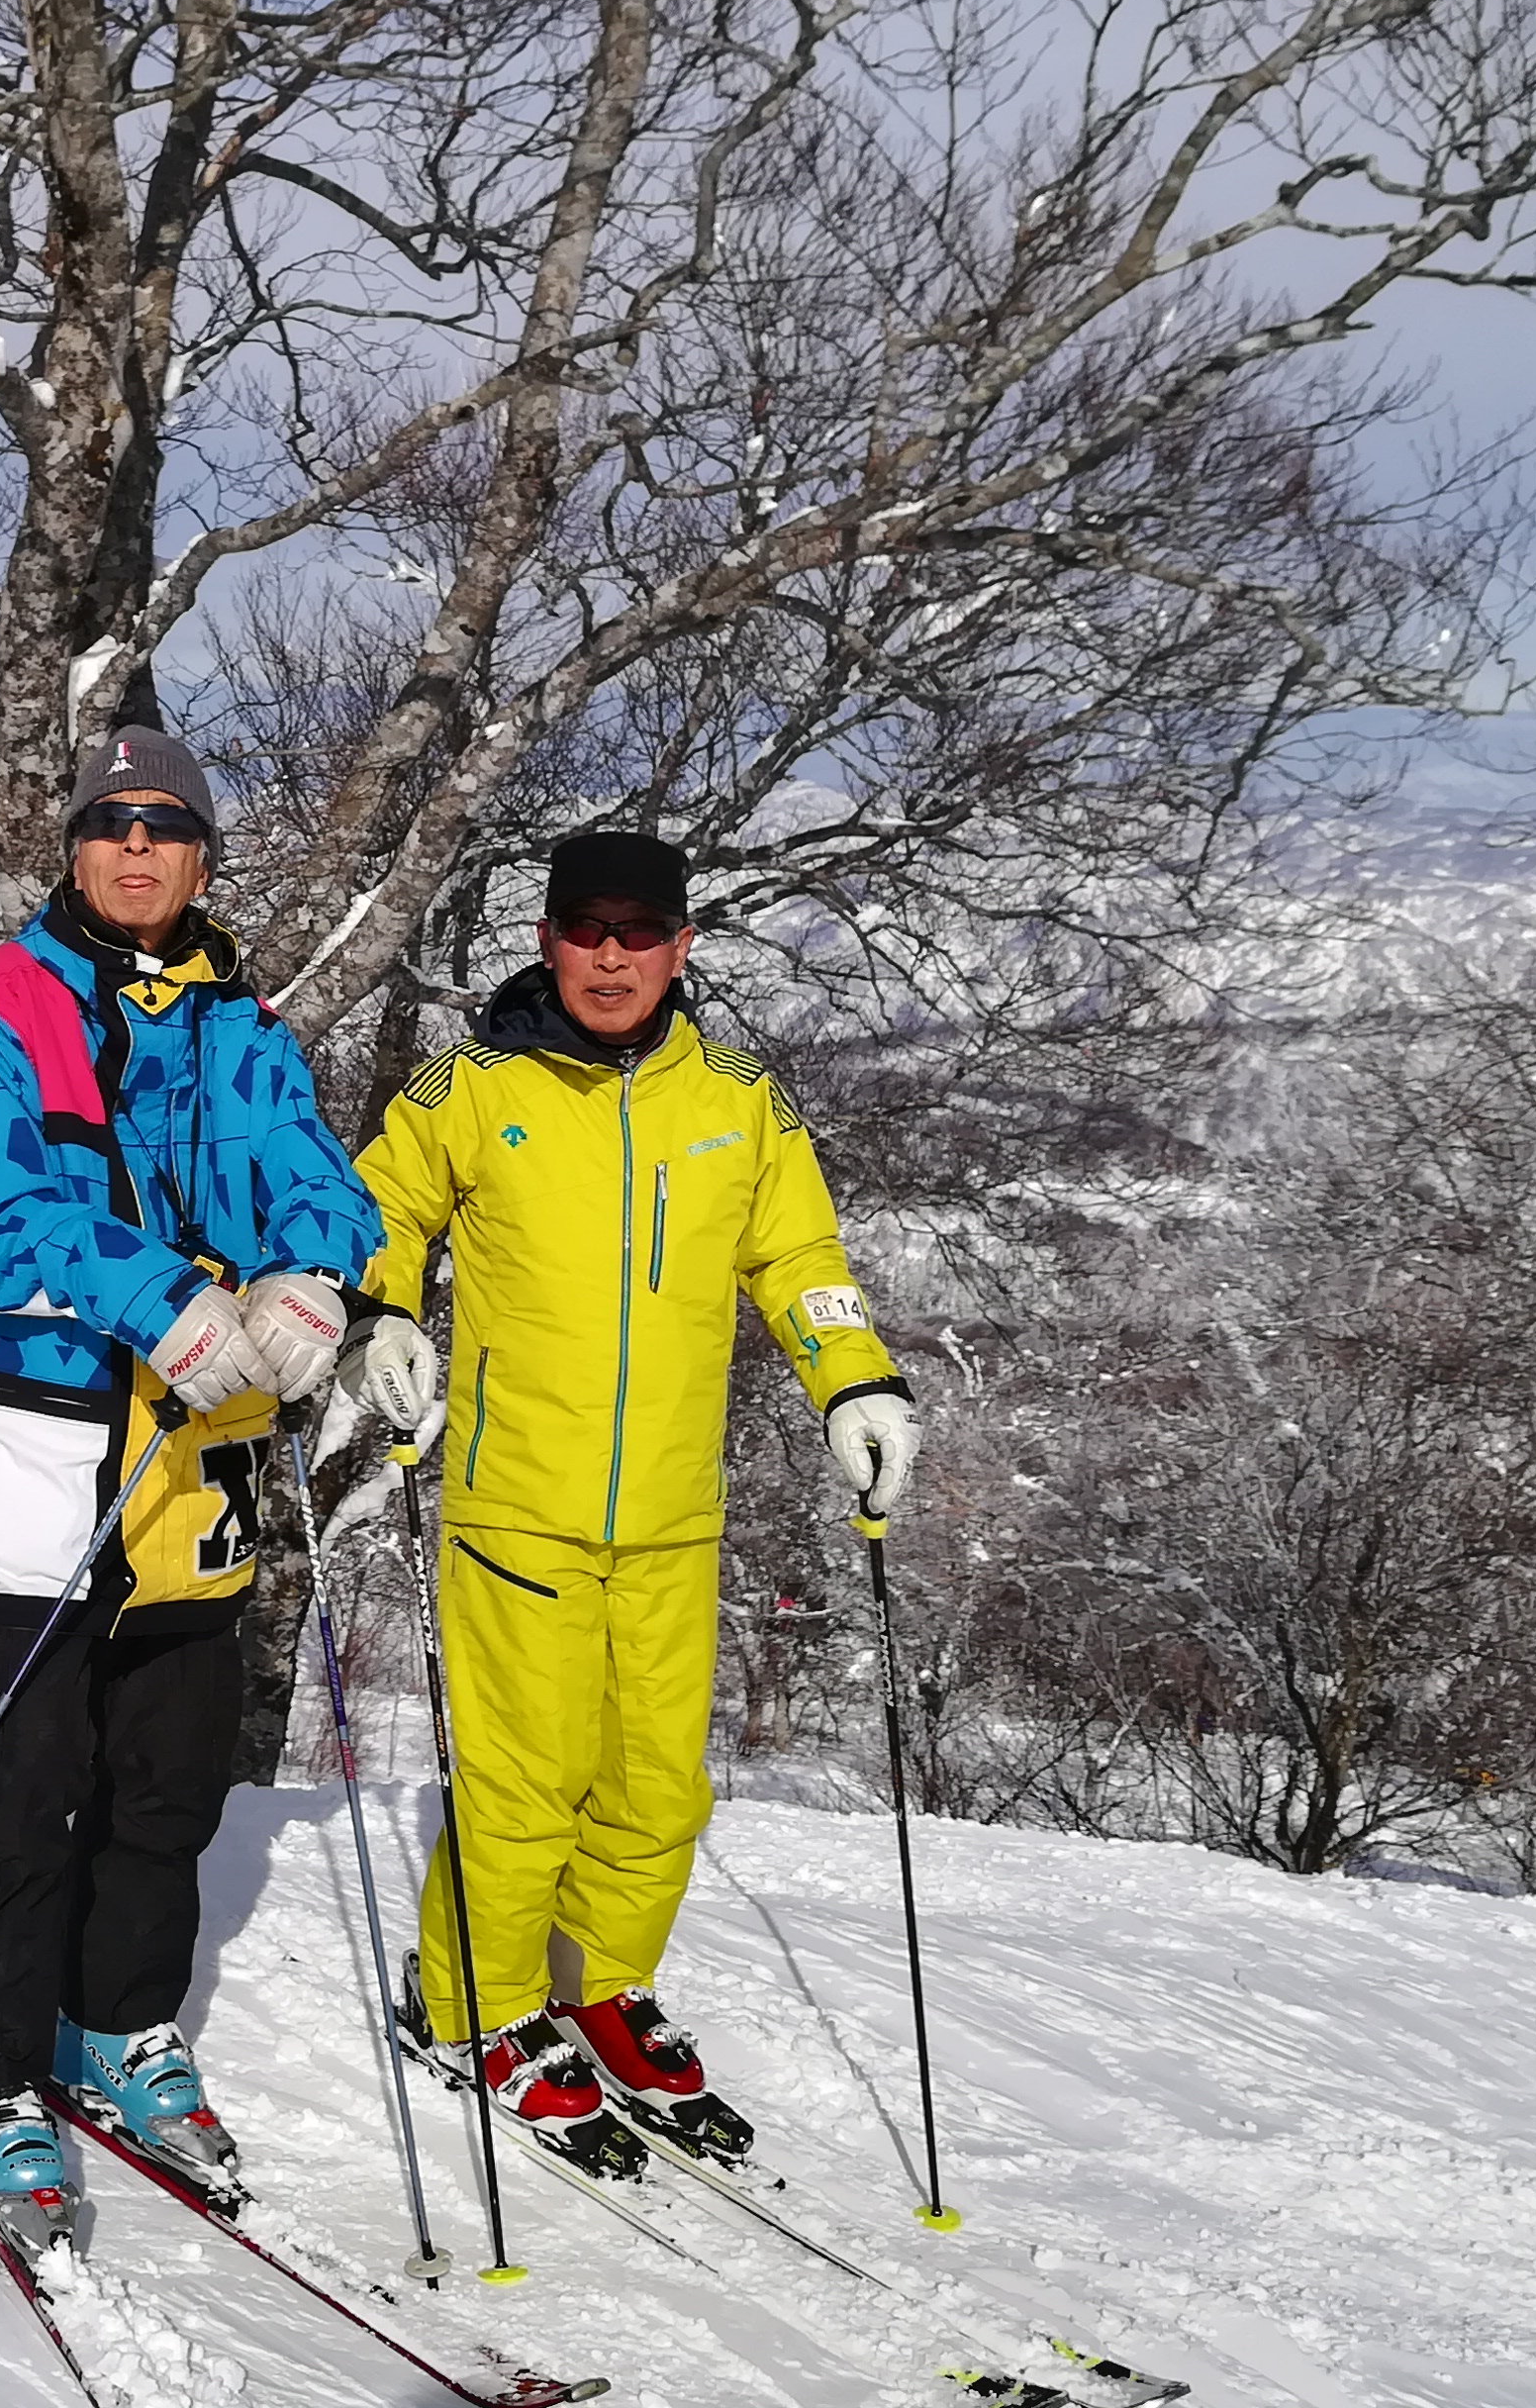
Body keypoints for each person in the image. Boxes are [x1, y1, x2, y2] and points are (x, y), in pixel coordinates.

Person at [344, 829, 915, 2174]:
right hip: (518, 1501)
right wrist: (380, 1313)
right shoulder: (471, 1088)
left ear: (681, 947)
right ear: (548, 939)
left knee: (657, 1789)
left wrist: (854, 1379)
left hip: (670, 1508)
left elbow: (800, 1254)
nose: (612, 957)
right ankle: (471, 2004)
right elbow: (381, 1208)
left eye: (640, 932)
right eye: (587, 930)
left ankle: (597, 1981)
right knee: (525, 1784)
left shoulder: (737, 1100)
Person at [0, 723, 383, 2245]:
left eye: (164, 827)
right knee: (17, 1780)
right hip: (36, 1441)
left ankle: (114, 2019)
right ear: (73, 846)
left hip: (199, 1450)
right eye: (110, 823)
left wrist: (313, 1275)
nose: (135, 848)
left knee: (166, 1777)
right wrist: (157, 1291)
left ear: (199, 857)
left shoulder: (243, 1026)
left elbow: (314, 1173)